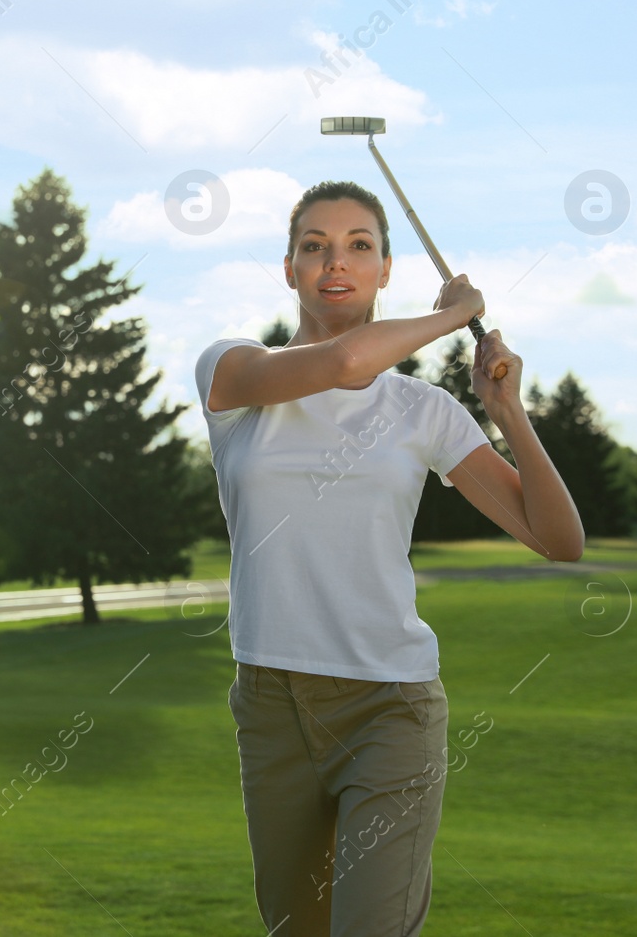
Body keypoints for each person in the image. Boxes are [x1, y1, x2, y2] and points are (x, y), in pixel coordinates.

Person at [193, 180, 583, 936]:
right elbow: (345, 361)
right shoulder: (233, 373)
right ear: (288, 267)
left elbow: (559, 539)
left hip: (388, 707)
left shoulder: (423, 410)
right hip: (270, 706)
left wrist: (509, 415)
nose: (336, 261)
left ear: (385, 269)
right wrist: (455, 315)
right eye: (315, 246)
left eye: (359, 245)